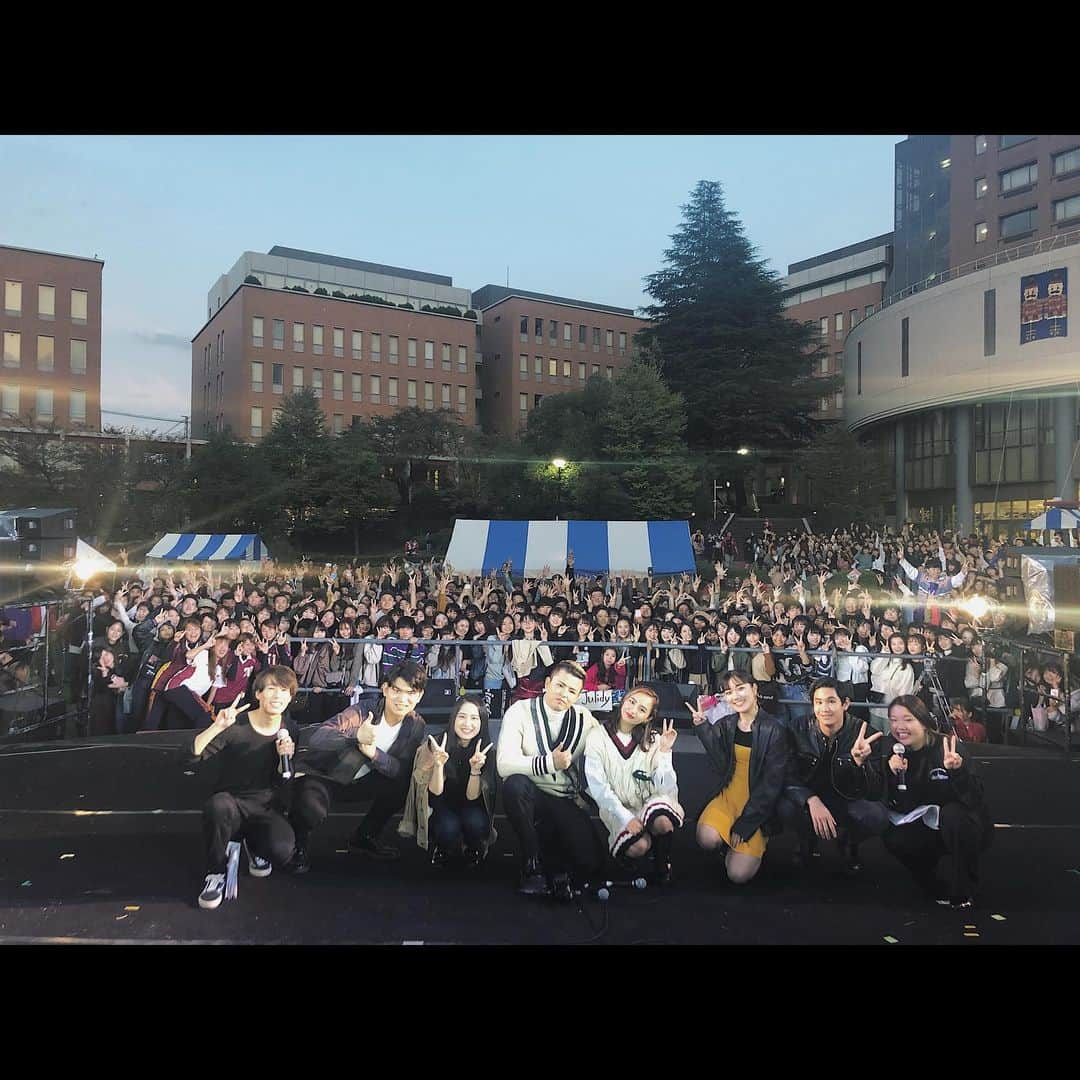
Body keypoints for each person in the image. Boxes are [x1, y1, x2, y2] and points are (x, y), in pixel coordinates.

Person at [291, 660, 429, 868]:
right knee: (310, 806)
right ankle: (297, 844)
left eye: (410, 693)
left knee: (405, 784)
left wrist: (374, 754)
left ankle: (365, 837)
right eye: (396, 690)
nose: (402, 699)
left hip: (363, 780)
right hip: (327, 776)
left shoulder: (416, 725)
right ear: (385, 689)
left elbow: (400, 770)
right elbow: (319, 737)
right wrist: (355, 737)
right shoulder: (364, 710)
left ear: (419, 696)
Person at [186, 666, 301, 910]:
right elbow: (190, 757)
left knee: (281, 851)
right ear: (258, 693)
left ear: (290, 697)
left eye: (284, 690)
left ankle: (254, 846)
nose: (277, 696)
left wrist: (285, 759)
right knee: (217, 806)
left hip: (266, 806)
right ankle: (215, 872)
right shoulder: (237, 724)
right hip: (233, 802)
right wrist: (217, 727)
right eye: (271, 689)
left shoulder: (290, 728)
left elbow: (284, 780)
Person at [496, 659, 604, 899]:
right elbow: (504, 764)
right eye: (560, 685)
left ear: (578, 695)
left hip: (564, 797)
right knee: (514, 785)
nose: (564, 694)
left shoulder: (585, 719)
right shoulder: (519, 711)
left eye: (572, 691)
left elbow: (608, 750)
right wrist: (549, 763)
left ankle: (549, 840)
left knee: (591, 863)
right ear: (547, 683)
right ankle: (531, 861)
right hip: (530, 794)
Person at [881, 694, 993, 909]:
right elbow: (895, 803)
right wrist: (892, 774)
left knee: (954, 816)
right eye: (893, 720)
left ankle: (964, 889)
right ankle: (930, 881)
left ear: (923, 722)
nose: (899, 727)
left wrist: (957, 772)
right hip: (922, 822)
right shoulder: (891, 751)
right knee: (894, 836)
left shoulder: (948, 747)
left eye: (907, 719)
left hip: (960, 822)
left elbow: (975, 797)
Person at [687, 670, 789, 885]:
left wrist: (746, 823)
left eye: (740, 688)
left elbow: (771, 785)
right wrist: (702, 726)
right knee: (706, 839)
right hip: (727, 797)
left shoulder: (774, 730)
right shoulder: (727, 724)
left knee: (737, 876)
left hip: (756, 806)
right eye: (729, 692)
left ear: (754, 689)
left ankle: (752, 843)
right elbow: (719, 760)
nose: (736, 696)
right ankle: (726, 844)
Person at [777, 677, 888, 872]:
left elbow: (875, 791)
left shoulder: (865, 734)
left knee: (876, 816)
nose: (824, 709)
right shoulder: (797, 729)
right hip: (811, 795)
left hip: (848, 797)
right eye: (818, 702)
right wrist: (810, 799)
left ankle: (850, 842)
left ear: (845, 704)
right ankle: (806, 839)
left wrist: (858, 764)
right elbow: (787, 774)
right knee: (784, 806)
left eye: (831, 701)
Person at [584, 687, 682, 884]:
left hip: (647, 804)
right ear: (624, 700)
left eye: (642, 709)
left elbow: (666, 789)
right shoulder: (597, 736)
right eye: (632, 701)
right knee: (639, 846)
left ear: (647, 718)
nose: (633, 709)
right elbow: (598, 786)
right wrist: (625, 817)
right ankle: (634, 854)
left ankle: (663, 860)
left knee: (663, 821)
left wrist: (664, 752)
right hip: (617, 807)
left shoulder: (653, 739)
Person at [398, 695, 497, 869]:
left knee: (476, 823)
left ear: (482, 723)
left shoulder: (486, 751)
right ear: (453, 718)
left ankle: (473, 847)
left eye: (474, 718)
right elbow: (435, 793)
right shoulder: (436, 745)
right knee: (448, 828)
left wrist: (475, 770)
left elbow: (472, 797)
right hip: (441, 805)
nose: (467, 724)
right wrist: (438, 765)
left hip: (471, 806)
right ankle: (442, 847)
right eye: (462, 716)